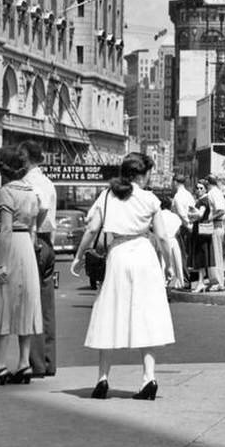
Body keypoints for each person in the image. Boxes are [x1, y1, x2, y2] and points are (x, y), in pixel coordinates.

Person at [72, 152, 174, 400]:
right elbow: (161, 236)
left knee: (109, 312)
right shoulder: (149, 198)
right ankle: (149, 378)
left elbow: (92, 229)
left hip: (118, 254)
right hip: (143, 254)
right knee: (145, 315)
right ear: (142, 174)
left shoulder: (107, 195)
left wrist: (78, 255)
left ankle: (102, 379)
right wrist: (169, 265)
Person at [0, 146, 43, 385]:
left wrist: (2, 263)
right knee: (25, 304)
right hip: (26, 246)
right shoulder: (31, 192)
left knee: (0, 305)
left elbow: (4, 229)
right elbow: (35, 224)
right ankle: (24, 363)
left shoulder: (6, 191)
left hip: (11, 244)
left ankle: (0, 366)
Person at [19, 139, 58, 378]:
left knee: (31, 304)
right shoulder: (47, 181)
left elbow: (40, 204)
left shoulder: (30, 182)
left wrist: (31, 228)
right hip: (47, 242)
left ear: (25, 157)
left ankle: (36, 363)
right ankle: (47, 359)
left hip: (33, 241)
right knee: (46, 306)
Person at [199, 175, 225, 291]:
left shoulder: (214, 193)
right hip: (214, 226)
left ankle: (217, 282)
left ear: (208, 182)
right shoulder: (215, 192)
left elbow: (221, 210)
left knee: (215, 255)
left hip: (215, 225)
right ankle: (214, 281)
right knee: (212, 254)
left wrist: (209, 219)